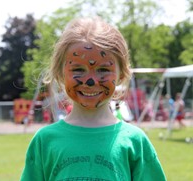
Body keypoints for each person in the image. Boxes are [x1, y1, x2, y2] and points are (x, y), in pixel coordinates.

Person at [20, 17, 166, 180]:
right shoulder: (45, 141)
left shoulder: (135, 141)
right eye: (78, 69)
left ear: (121, 74)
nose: (91, 81)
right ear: (60, 75)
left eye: (103, 69)